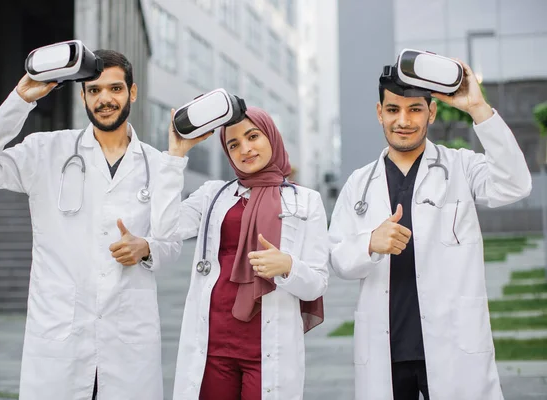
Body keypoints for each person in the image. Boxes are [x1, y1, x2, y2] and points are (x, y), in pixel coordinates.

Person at [0, 50, 181, 400]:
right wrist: (19, 101)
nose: (105, 99)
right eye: (94, 91)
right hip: (61, 333)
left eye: (115, 89)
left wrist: (147, 247)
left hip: (127, 338)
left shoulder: (157, 165)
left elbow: (171, 245)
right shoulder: (47, 151)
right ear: (82, 96)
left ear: (132, 92)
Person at [328, 58, 532, 400]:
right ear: (380, 113)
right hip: (387, 352)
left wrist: (478, 107)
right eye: (393, 109)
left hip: (453, 345)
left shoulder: (461, 167)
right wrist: (369, 243)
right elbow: (336, 258)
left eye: (415, 110)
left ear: (431, 113)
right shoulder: (359, 184)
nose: (403, 121)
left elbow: (515, 184)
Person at [150, 106, 328, 400]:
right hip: (214, 344)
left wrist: (287, 266)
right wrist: (175, 156)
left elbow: (317, 283)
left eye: (253, 136)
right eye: (233, 144)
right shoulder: (213, 194)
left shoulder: (306, 201)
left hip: (267, 346)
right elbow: (163, 230)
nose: (245, 149)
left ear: (271, 136)